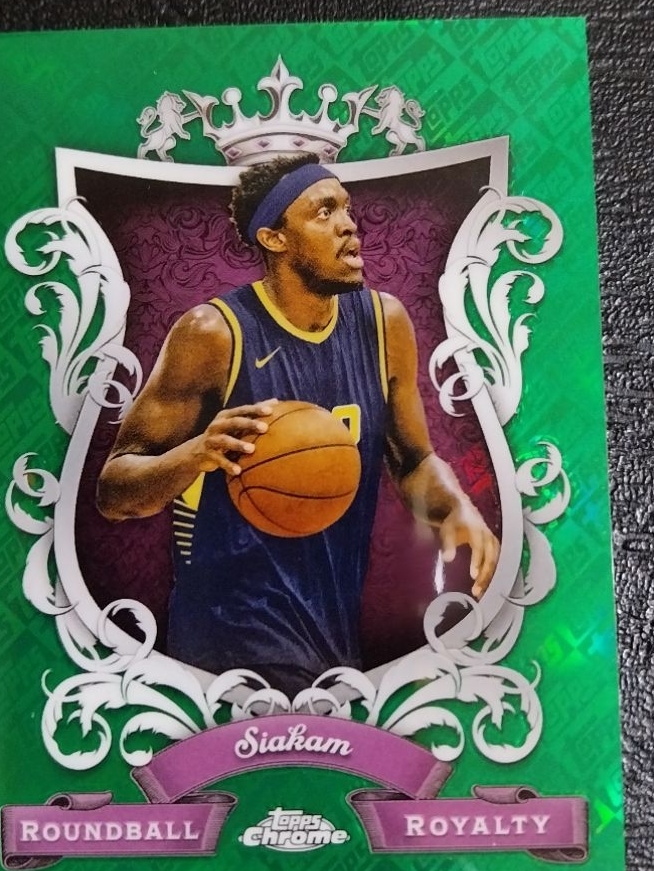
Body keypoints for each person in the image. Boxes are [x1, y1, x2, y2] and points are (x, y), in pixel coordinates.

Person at [97, 153, 498, 694]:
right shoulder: (213, 334)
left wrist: (455, 506)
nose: (349, 224)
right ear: (274, 238)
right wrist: (196, 453)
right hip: (228, 631)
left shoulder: (384, 323)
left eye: (347, 208)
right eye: (324, 212)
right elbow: (115, 490)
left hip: (331, 622)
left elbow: (412, 460)